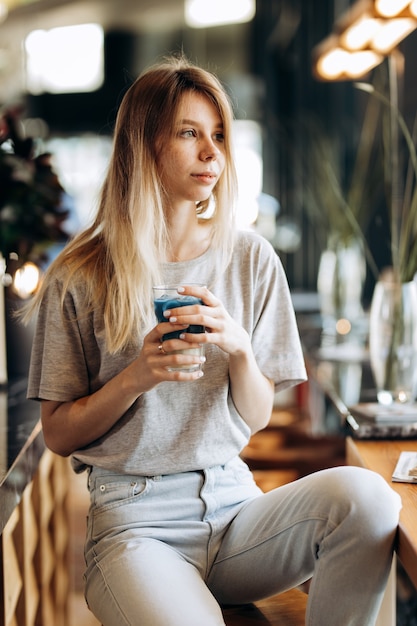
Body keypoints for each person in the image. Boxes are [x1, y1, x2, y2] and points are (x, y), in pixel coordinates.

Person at [25, 55, 401, 626]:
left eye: (219, 135)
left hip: (235, 509)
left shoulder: (250, 258)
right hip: (134, 525)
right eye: (189, 134)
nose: (212, 153)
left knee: (371, 499)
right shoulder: (81, 272)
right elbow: (57, 432)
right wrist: (137, 377)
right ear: (144, 145)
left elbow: (254, 419)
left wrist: (241, 349)